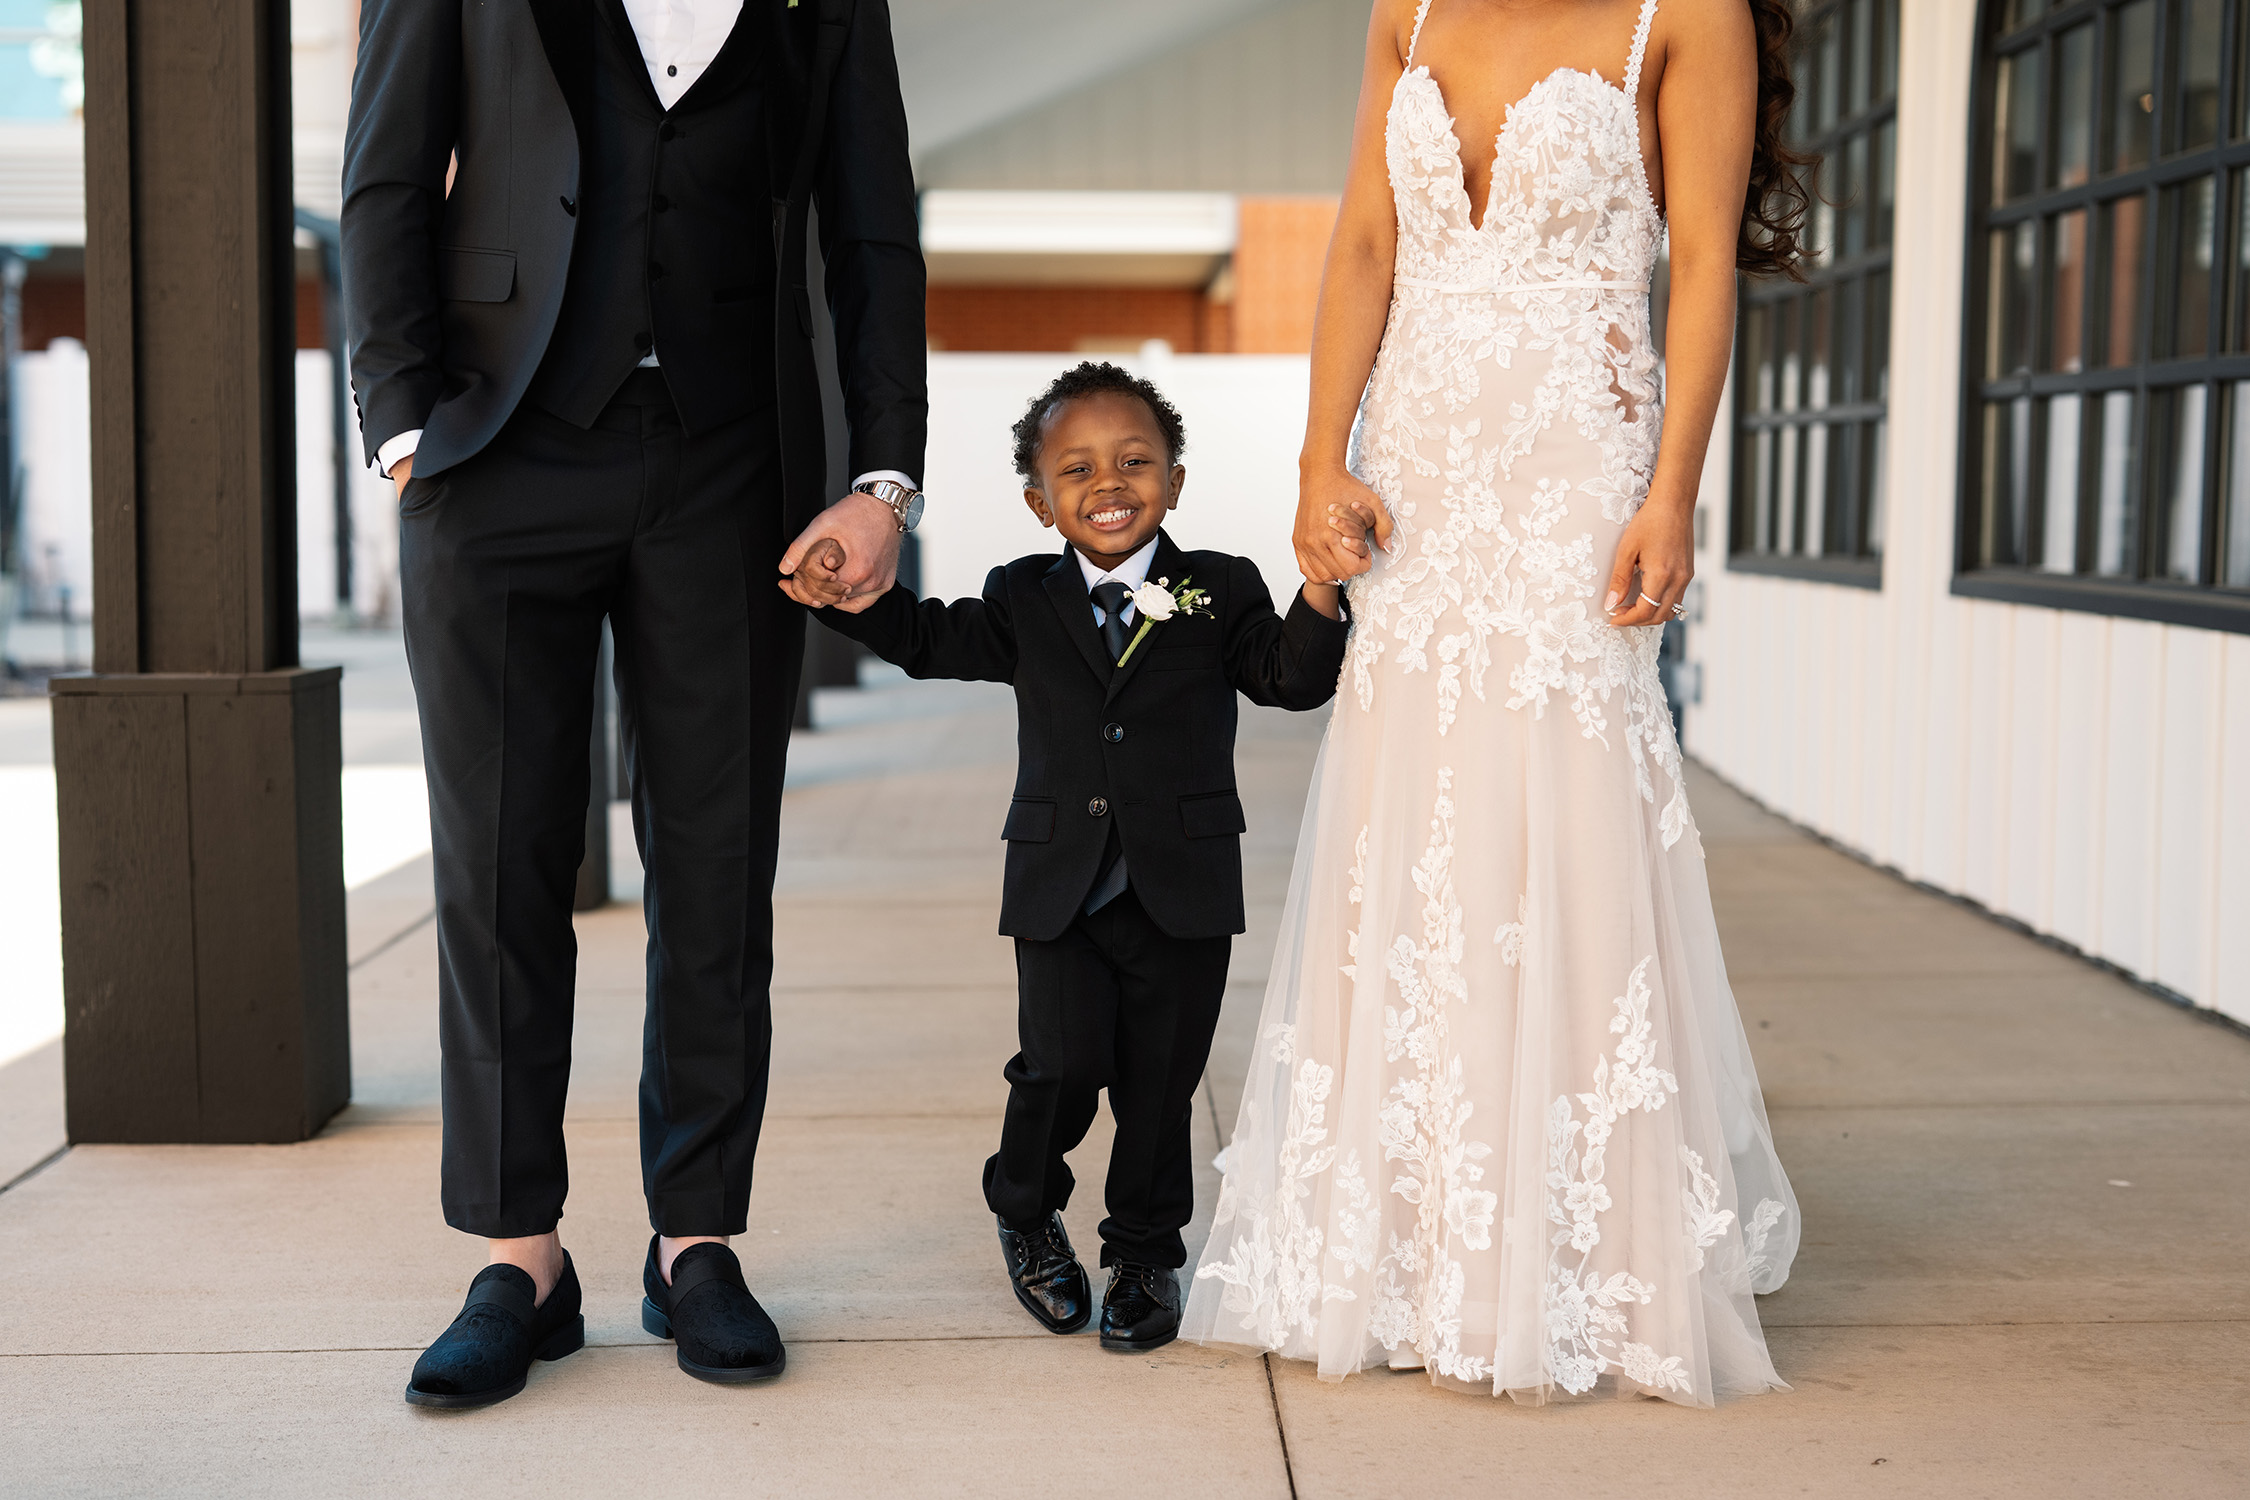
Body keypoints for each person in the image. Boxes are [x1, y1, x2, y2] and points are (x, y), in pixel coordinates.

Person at [1182, 0, 1807, 1405]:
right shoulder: (1403, 9)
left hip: (1573, 467)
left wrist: (1671, 494)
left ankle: (1581, 1255)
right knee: (1409, 822)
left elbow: (1700, 263)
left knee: (1563, 809)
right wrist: (1312, 462)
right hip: (1415, 467)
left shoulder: (1683, 12)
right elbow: (1360, 241)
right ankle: (1404, 1243)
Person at [341, 0, 927, 1406]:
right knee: (498, 863)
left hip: (734, 459)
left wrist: (882, 478)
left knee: (719, 867)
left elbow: (869, 225)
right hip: (497, 451)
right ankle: (517, 1258)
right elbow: (381, 170)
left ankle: (696, 1242)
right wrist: (404, 419)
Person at [810, 364, 1349, 1353]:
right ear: (1039, 499)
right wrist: (846, 594)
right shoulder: (1026, 595)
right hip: (1060, 888)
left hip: (1182, 888)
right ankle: (1023, 1205)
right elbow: (932, 641)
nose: (1112, 481)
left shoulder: (1212, 586)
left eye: (1137, 460)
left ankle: (1143, 1253)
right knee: (1059, 1070)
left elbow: (1289, 678)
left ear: (1176, 481)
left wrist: (1320, 584)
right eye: (1079, 467)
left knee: (1159, 1081)